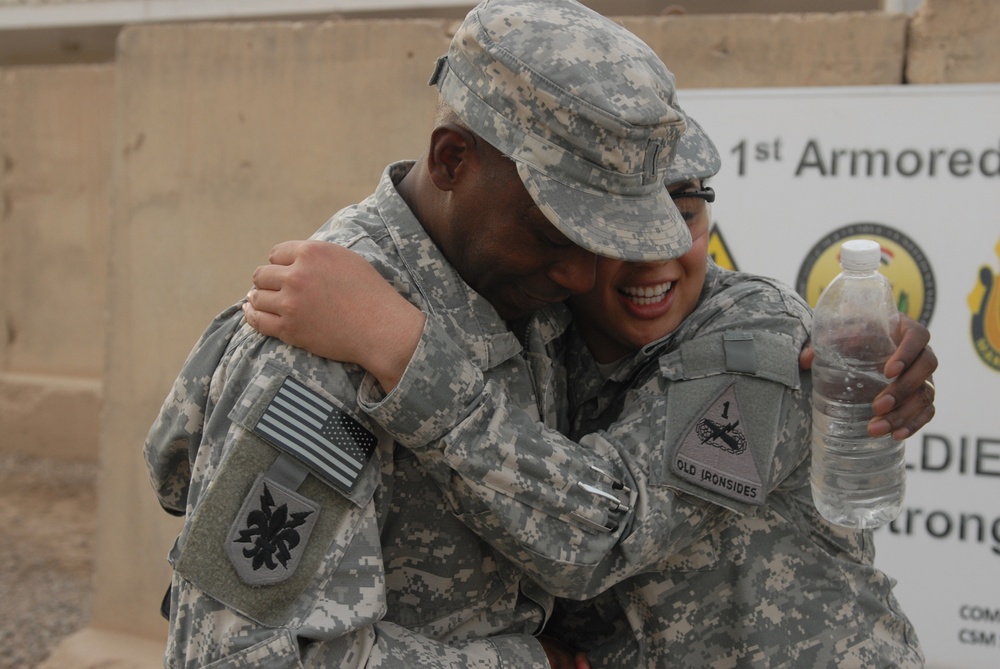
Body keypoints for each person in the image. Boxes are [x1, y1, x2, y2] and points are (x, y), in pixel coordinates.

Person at [242, 116, 934, 665]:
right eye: (624, 235)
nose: (657, 259)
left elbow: (603, 536)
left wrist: (402, 351)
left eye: (684, 219)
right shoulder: (531, 333)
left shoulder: (760, 341)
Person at [145, 1, 711, 667]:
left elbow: (604, 516)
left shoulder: (520, 294)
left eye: (603, 242)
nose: (581, 272)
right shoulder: (321, 358)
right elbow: (244, 654)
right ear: (451, 160)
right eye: (556, 234)